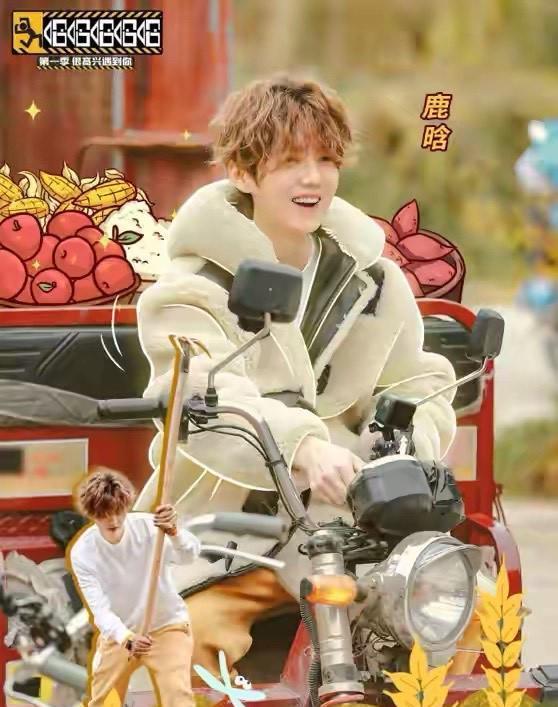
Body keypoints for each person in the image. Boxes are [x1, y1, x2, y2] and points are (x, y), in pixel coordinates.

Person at [133, 74, 463, 679]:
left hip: (357, 531)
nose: (313, 178)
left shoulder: (376, 282)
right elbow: (198, 396)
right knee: (188, 642)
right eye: (290, 162)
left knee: (463, 613)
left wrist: (402, 447)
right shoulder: (189, 288)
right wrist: (303, 447)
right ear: (242, 171)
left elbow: (417, 380)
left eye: (326, 159)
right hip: (226, 534)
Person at [68, 467, 201, 707]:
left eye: (118, 511)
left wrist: (174, 533)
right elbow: (100, 611)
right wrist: (127, 638)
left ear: (126, 506)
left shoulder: (151, 528)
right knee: (103, 702)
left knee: (178, 697)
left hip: (167, 626)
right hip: (121, 633)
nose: (114, 520)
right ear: (92, 514)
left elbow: (189, 556)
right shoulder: (83, 553)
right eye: (104, 514)